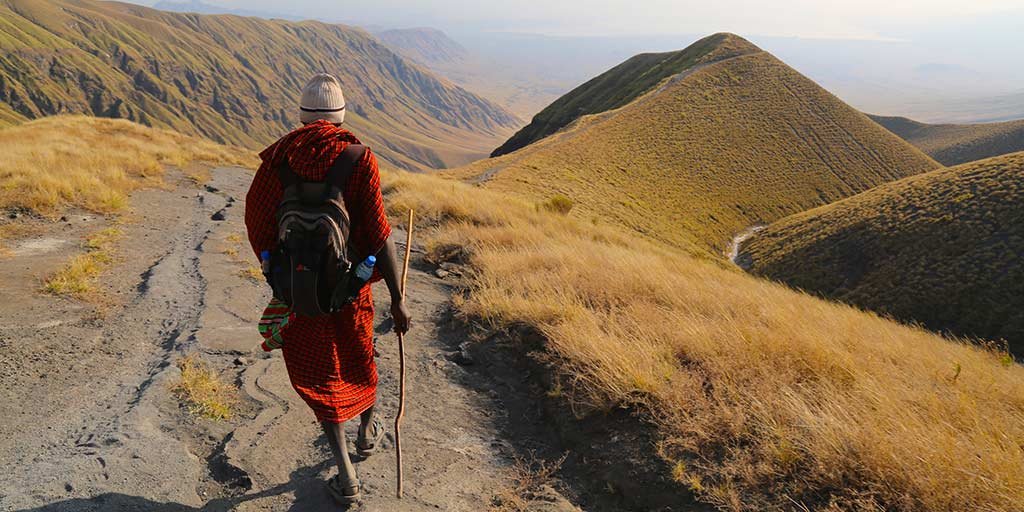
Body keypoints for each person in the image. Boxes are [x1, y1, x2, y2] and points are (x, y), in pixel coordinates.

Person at [244, 73, 412, 504]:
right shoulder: (358, 159)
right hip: (351, 291)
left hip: (300, 296)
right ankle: (367, 431)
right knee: (359, 358)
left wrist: (280, 277)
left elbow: (258, 225)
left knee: (320, 373)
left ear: (302, 116)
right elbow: (379, 236)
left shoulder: (277, 162)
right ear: (340, 117)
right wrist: (397, 299)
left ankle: (345, 473)